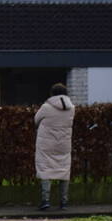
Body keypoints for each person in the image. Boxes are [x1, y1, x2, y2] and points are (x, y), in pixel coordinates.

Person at [34, 83, 75, 211]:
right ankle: (63, 202)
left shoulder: (46, 107)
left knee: (45, 170)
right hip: (64, 144)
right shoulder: (72, 108)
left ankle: (45, 201)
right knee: (64, 170)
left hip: (46, 144)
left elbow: (36, 120)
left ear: (52, 93)